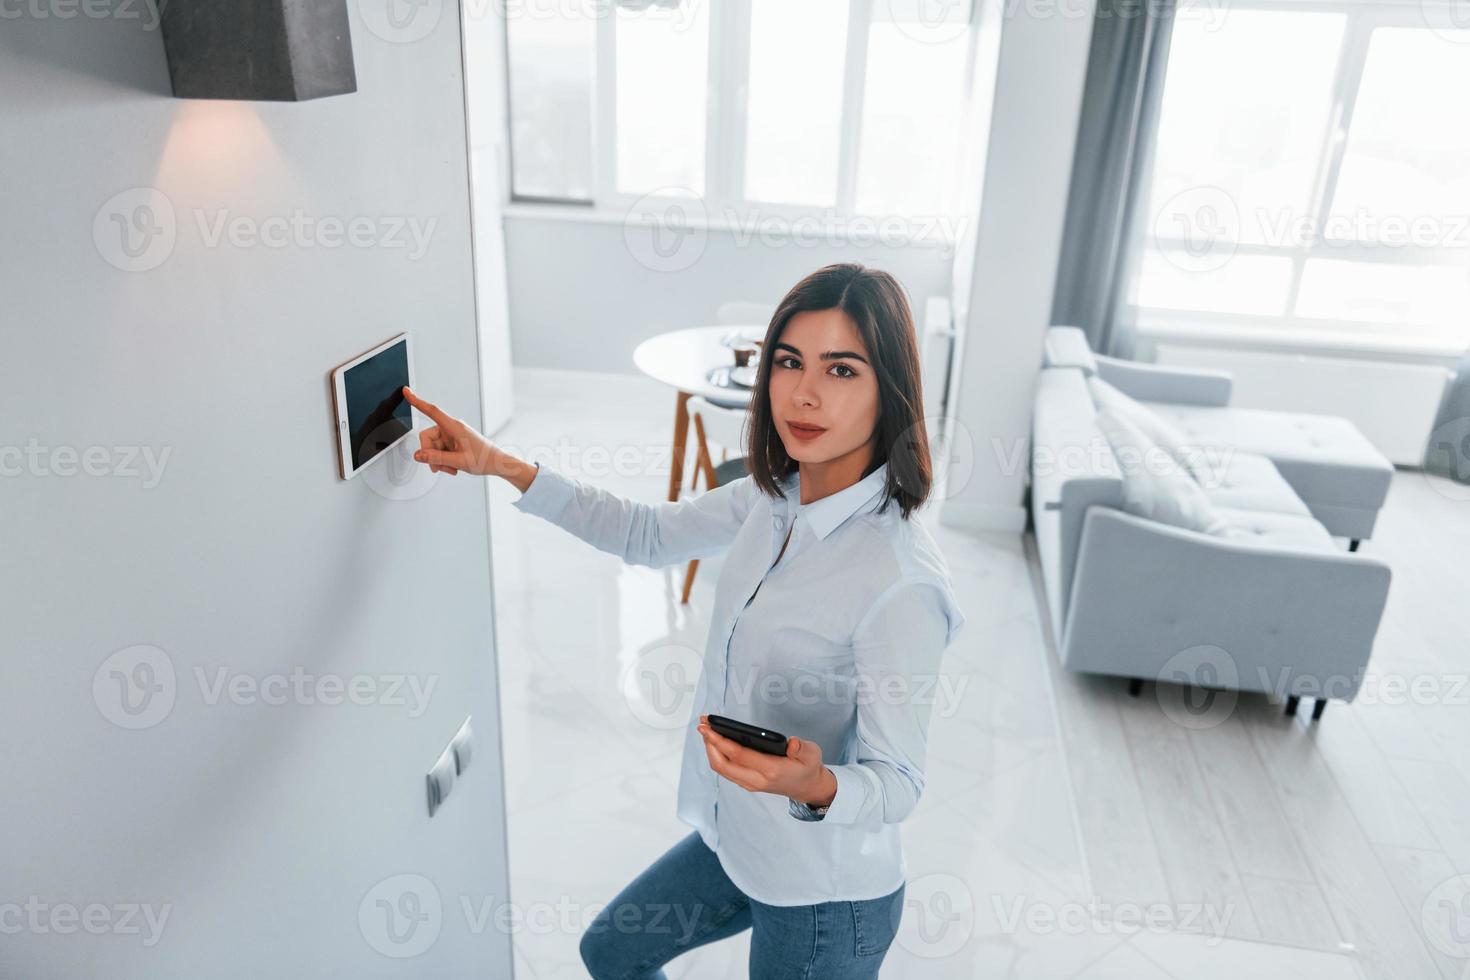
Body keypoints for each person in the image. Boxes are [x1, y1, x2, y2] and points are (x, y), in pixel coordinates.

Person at [404, 262, 965, 979]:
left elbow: (899, 784)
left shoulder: (900, 581)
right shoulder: (773, 499)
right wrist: (502, 464)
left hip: (827, 901)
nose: (805, 392)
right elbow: (644, 534)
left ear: (889, 391)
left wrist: (814, 785)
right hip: (740, 841)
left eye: (842, 370)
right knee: (612, 952)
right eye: (789, 361)